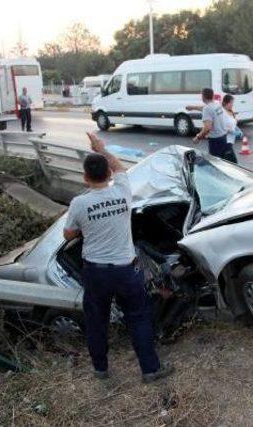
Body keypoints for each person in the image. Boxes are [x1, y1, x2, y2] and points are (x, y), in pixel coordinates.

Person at [63, 132, 174, 383]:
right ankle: (150, 370)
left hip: (96, 272)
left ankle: (101, 369)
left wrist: (85, 225)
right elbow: (121, 167)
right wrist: (101, 148)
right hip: (127, 271)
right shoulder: (123, 191)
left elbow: (68, 234)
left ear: (85, 178)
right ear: (109, 174)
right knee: (138, 317)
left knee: (96, 320)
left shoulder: (79, 203)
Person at [189, 88, 231, 161]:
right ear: (212, 95)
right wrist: (193, 107)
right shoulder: (217, 104)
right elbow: (207, 108)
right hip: (224, 138)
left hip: (216, 142)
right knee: (225, 164)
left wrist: (198, 137)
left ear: (203, 97)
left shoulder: (207, 109)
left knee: (216, 164)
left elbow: (207, 128)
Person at [221, 94, 240, 163]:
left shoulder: (231, 111)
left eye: (232, 103)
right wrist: (232, 131)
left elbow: (233, 123)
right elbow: (222, 126)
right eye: (231, 103)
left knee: (227, 164)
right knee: (234, 163)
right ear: (226, 103)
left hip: (231, 141)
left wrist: (237, 129)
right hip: (225, 141)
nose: (232, 104)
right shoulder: (222, 112)